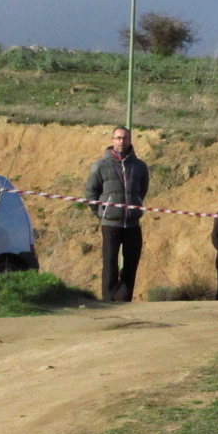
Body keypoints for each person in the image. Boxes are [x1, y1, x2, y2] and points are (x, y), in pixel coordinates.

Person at [85, 126, 149, 302]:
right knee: (110, 263)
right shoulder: (100, 166)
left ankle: (123, 298)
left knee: (131, 262)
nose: (122, 141)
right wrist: (102, 213)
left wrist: (134, 205)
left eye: (125, 138)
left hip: (132, 223)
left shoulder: (140, 166)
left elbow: (142, 190)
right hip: (110, 223)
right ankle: (108, 299)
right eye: (118, 138)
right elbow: (91, 193)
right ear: (112, 140)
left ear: (130, 140)